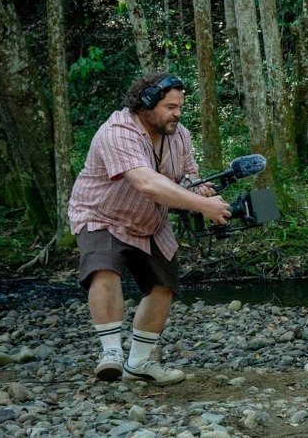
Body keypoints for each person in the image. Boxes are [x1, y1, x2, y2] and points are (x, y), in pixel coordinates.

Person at [68, 72, 232, 385]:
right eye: (170, 107)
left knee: (164, 285)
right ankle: (111, 353)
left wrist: (201, 192)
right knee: (104, 270)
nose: (178, 114)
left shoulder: (180, 135)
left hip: (150, 220)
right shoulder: (118, 131)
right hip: (102, 214)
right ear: (146, 103)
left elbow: (187, 175)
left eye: (180, 107)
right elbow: (147, 183)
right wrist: (202, 205)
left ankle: (139, 363)